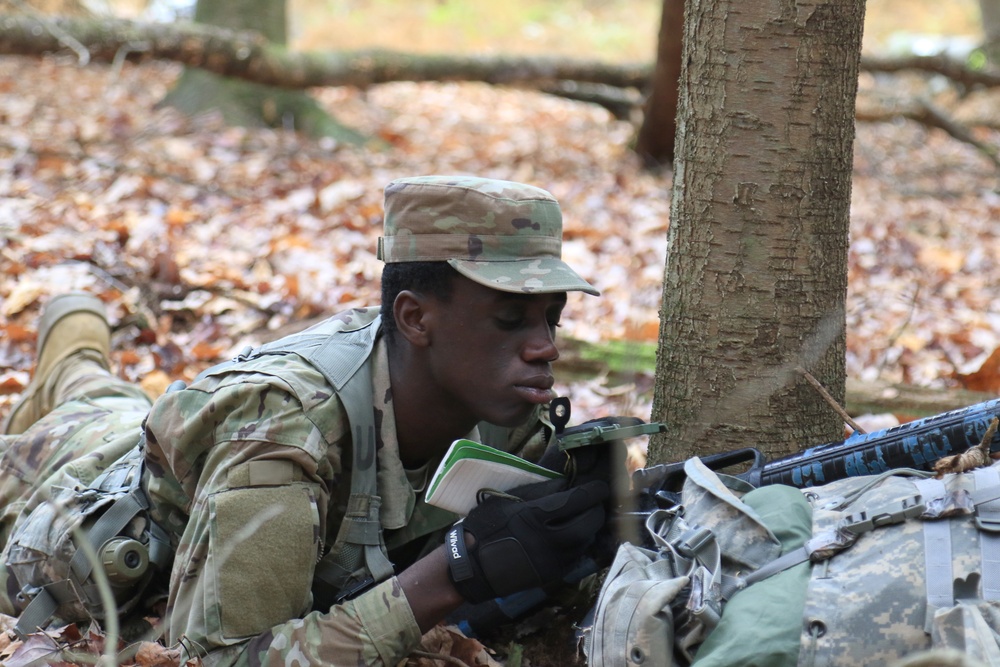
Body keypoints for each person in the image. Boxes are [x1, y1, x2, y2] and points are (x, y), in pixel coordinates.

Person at [0, 175, 611, 666]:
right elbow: (217, 658)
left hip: (167, 440)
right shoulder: (285, 431)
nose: (545, 348)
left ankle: (77, 357)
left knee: (104, 395)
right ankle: (75, 350)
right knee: (87, 409)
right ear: (415, 319)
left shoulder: (503, 409)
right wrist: (450, 574)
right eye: (511, 320)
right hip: (65, 479)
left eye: (551, 318)